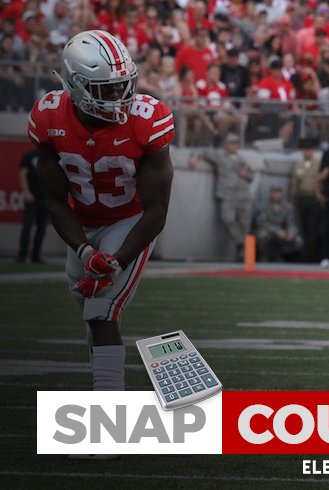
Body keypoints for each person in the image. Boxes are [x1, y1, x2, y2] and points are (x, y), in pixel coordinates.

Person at [27, 30, 175, 453]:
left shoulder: (148, 118)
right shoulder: (49, 117)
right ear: (74, 85)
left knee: (101, 310)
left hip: (129, 219)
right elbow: (54, 200)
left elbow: (157, 210)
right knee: (92, 320)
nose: (120, 95)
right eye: (106, 88)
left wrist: (114, 258)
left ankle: (107, 428)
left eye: (123, 84)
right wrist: (86, 251)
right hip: (83, 223)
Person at [190, 133, 253, 260]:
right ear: (226, 145)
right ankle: (241, 243)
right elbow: (203, 151)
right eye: (232, 143)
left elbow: (250, 177)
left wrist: (246, 175)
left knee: (245, 223)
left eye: (236, 143)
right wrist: (195, 157)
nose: (234, 146)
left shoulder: (241, 160)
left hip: (242, 194)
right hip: (227, 194)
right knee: (228, 218)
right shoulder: (220, 155)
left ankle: (243, 253)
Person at [17, 148, 47, 263]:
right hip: (31, 197)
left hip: (44, 197)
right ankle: (22, 254)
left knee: (41, 227)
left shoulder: (48, 156)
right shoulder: (29, 156)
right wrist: (27, 192)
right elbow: (23, 174)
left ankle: (36, 255)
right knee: (27, 226)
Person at [254, 186, 299, 262]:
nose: (277, 195)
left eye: (279, 193)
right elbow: (262, 223)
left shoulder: (288, 207)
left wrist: (291, 232)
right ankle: (264, 257)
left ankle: (281, 257)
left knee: (297, 240)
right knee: (262, 235)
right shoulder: (264, 206)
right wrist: (276, 230)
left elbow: (292, 222)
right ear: (270, 194)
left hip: (282, 231)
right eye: (274, 193)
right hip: (268, 230)